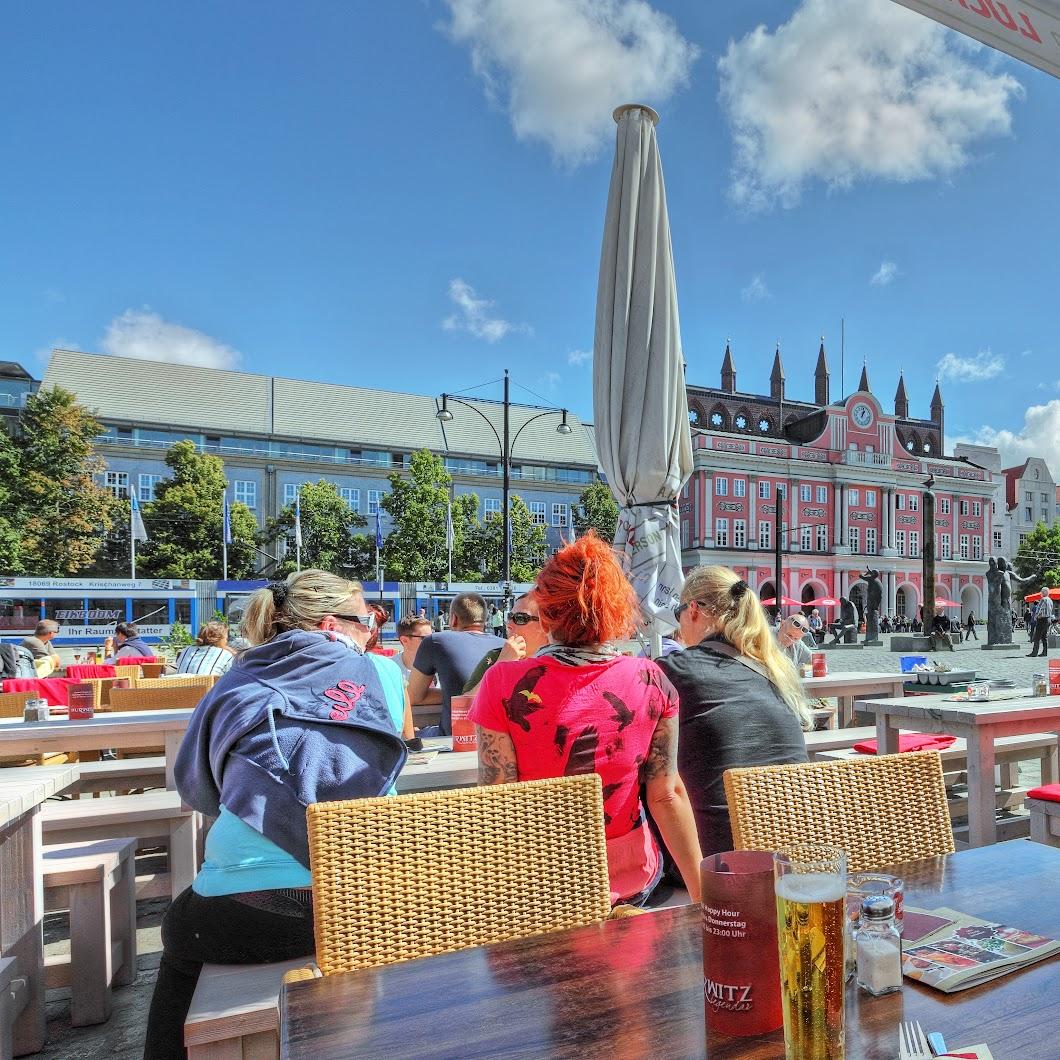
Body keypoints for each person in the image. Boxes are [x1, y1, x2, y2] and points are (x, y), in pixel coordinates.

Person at [143, 570, 407, 1059]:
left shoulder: (238, 679)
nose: (373, 629)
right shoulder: (385, 674)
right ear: (332, 625)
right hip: (361, 901)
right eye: (367, 619)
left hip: (244, 909)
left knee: (181, 933)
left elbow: (202, 790)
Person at [470, 533, 702, 906]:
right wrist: (703, 898)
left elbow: (499, 801)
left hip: (543, 886)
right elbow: (667, 794)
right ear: (614, 611)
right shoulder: (651, 679)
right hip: (632, 881)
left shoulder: (503, 683)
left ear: (546, 614)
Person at [658, 566, 811, 857]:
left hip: (716, 861)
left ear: (693, 610)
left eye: (677, 612)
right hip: (791, 853)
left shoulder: (674, 671)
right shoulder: (773, 671)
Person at [408, 592, 505, 736]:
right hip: (496, 735)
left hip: (455, 736)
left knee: (407, 737)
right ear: (484, 620)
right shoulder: (505, 645)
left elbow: (414, 696)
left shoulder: (436, 641)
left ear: (453, 619)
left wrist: (453, 693)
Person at [463, 591, 549, 694]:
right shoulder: (495, 658)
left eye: (520, 618)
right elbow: (464, 704)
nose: (509, 624)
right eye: (509, 617)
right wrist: (501, 666)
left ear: (545, 626)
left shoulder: (563, 663)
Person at [392, 613, 433, 685]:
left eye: (432, 637)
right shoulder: (389, 668)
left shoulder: (441, 667)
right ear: (405, 640)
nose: (431, 642)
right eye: (425, 638)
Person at [1028, 592, 1052, 658]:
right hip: (1048, 619)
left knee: (1037, 637)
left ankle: (1034, 653)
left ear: (1043, 593)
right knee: (1044, 637)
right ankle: (1045, 652)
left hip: (1042, 619)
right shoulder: (1050, 600)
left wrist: (1035, 617)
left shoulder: (1043, 599)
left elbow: (1039, 609)